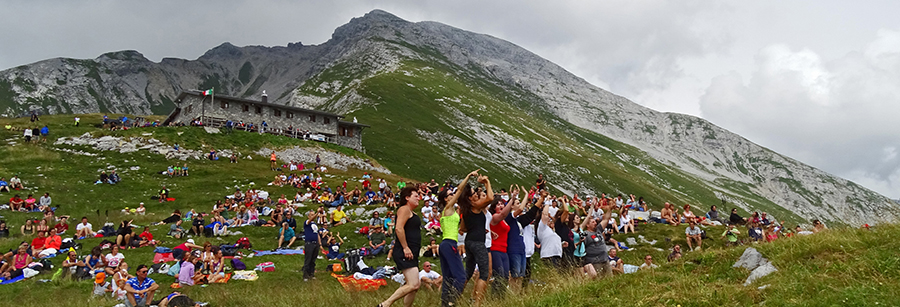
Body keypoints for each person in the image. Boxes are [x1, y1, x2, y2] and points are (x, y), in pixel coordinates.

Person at [378, 187, 423, 307]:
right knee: (414, 284)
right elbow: (398, 228)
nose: (418, 197)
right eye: (415, 195)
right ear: (407, 198)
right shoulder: (404, 209)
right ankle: (385, 304)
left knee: (414, 286)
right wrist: (405, 247)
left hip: (412, 250)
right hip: (405, 249)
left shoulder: (412, 212)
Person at [580, 202, 615, 279]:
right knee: (599, 279)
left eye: (595, 221)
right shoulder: (585, 233)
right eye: (593, 222)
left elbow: (606, 219)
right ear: (587, 225)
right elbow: (579, 242)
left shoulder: (598, 230)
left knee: (610, 278)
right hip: (595, 261)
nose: (595, 223)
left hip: (605, 259)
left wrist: (610, 209)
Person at [302, 210, 321, 281]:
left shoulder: (315, 224)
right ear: (308, 216)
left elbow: (317, 234)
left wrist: (320, 244)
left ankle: (311, 273)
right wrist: (317, 213)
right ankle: (305, 275)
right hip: (309, 243)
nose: (313, 216)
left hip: (316, 243)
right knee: (308, 259)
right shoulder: (307, 223)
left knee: (313, 260)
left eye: (314, 214)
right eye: (311, 214)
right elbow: (310, 220)